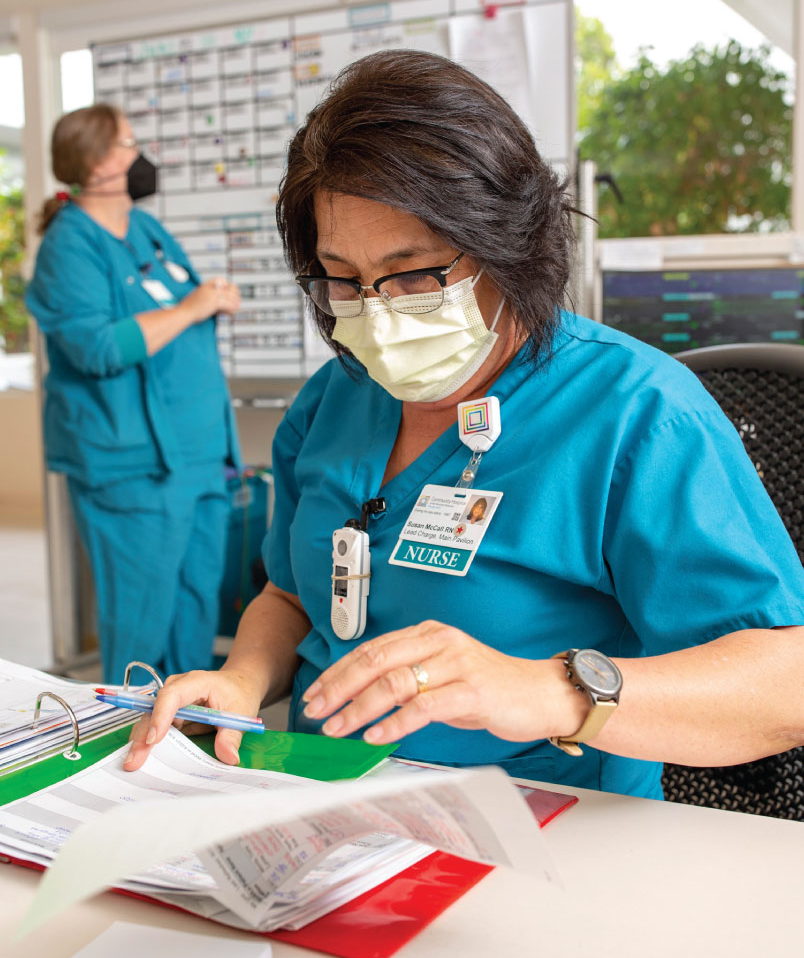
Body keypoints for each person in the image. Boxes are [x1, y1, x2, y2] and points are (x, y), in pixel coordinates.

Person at [125, 50, 804, 800]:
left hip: (547, 829)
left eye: (414, 272)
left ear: (504, 244)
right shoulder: (334, 400)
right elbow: (291, 594)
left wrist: (548, 689)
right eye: (343, 277)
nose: (377, 311)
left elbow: (785, 686)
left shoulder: (637, 413)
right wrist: (242, 678)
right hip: (316, 808)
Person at [26, 104, 242, 684]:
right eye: (128, 143)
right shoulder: (68, 247)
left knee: (195, 607)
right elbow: (96, 347)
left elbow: (182, 305)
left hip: (198, 458)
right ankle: (131, 744)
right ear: (97, 163)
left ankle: (187, 737)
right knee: (142, 617)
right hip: (132, 467)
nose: (139, 154)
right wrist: (194, 306)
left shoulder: (147, 230)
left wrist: (211, 298)